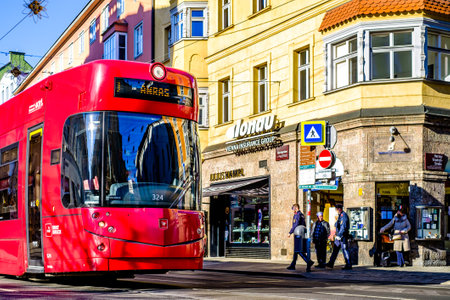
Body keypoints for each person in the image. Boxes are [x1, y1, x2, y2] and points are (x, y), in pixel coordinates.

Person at [287, 204, 314, 271]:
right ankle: (293, 265)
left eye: (293, 208)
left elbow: (295, 224)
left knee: (298, 250)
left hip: (298, 234)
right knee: (296, 251)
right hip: (301, 233)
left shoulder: (297, 215)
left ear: (296, 208)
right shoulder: (301, 214)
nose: (293, 210)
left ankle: (308, 261)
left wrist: (290, 232)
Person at [326, 203, 352, 270]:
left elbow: (343, 227)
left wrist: (339, 235)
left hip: (342, 236)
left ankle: (348, 264)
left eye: (336, 209)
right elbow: (336, 225)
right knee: (335, 250)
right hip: (339, 236)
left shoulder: (344, 216)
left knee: (345, 250)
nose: (336, 210)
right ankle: (331, 263)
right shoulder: (340, 215)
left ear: (339, 209)